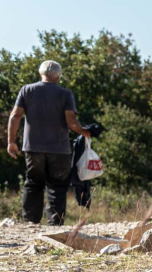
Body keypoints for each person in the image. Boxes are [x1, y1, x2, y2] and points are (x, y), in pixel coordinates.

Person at [6, 60, 91, 225]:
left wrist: (11, 141)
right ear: (58, 76)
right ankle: (55, 224)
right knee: (57, 187)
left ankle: (30, 222)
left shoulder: (27, 90)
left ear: (41, 74)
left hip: (33, 147)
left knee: (33, 183)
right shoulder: (65, 94)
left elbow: (15, 116)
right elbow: (71, 121)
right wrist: (85, 133)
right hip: (59, 149)